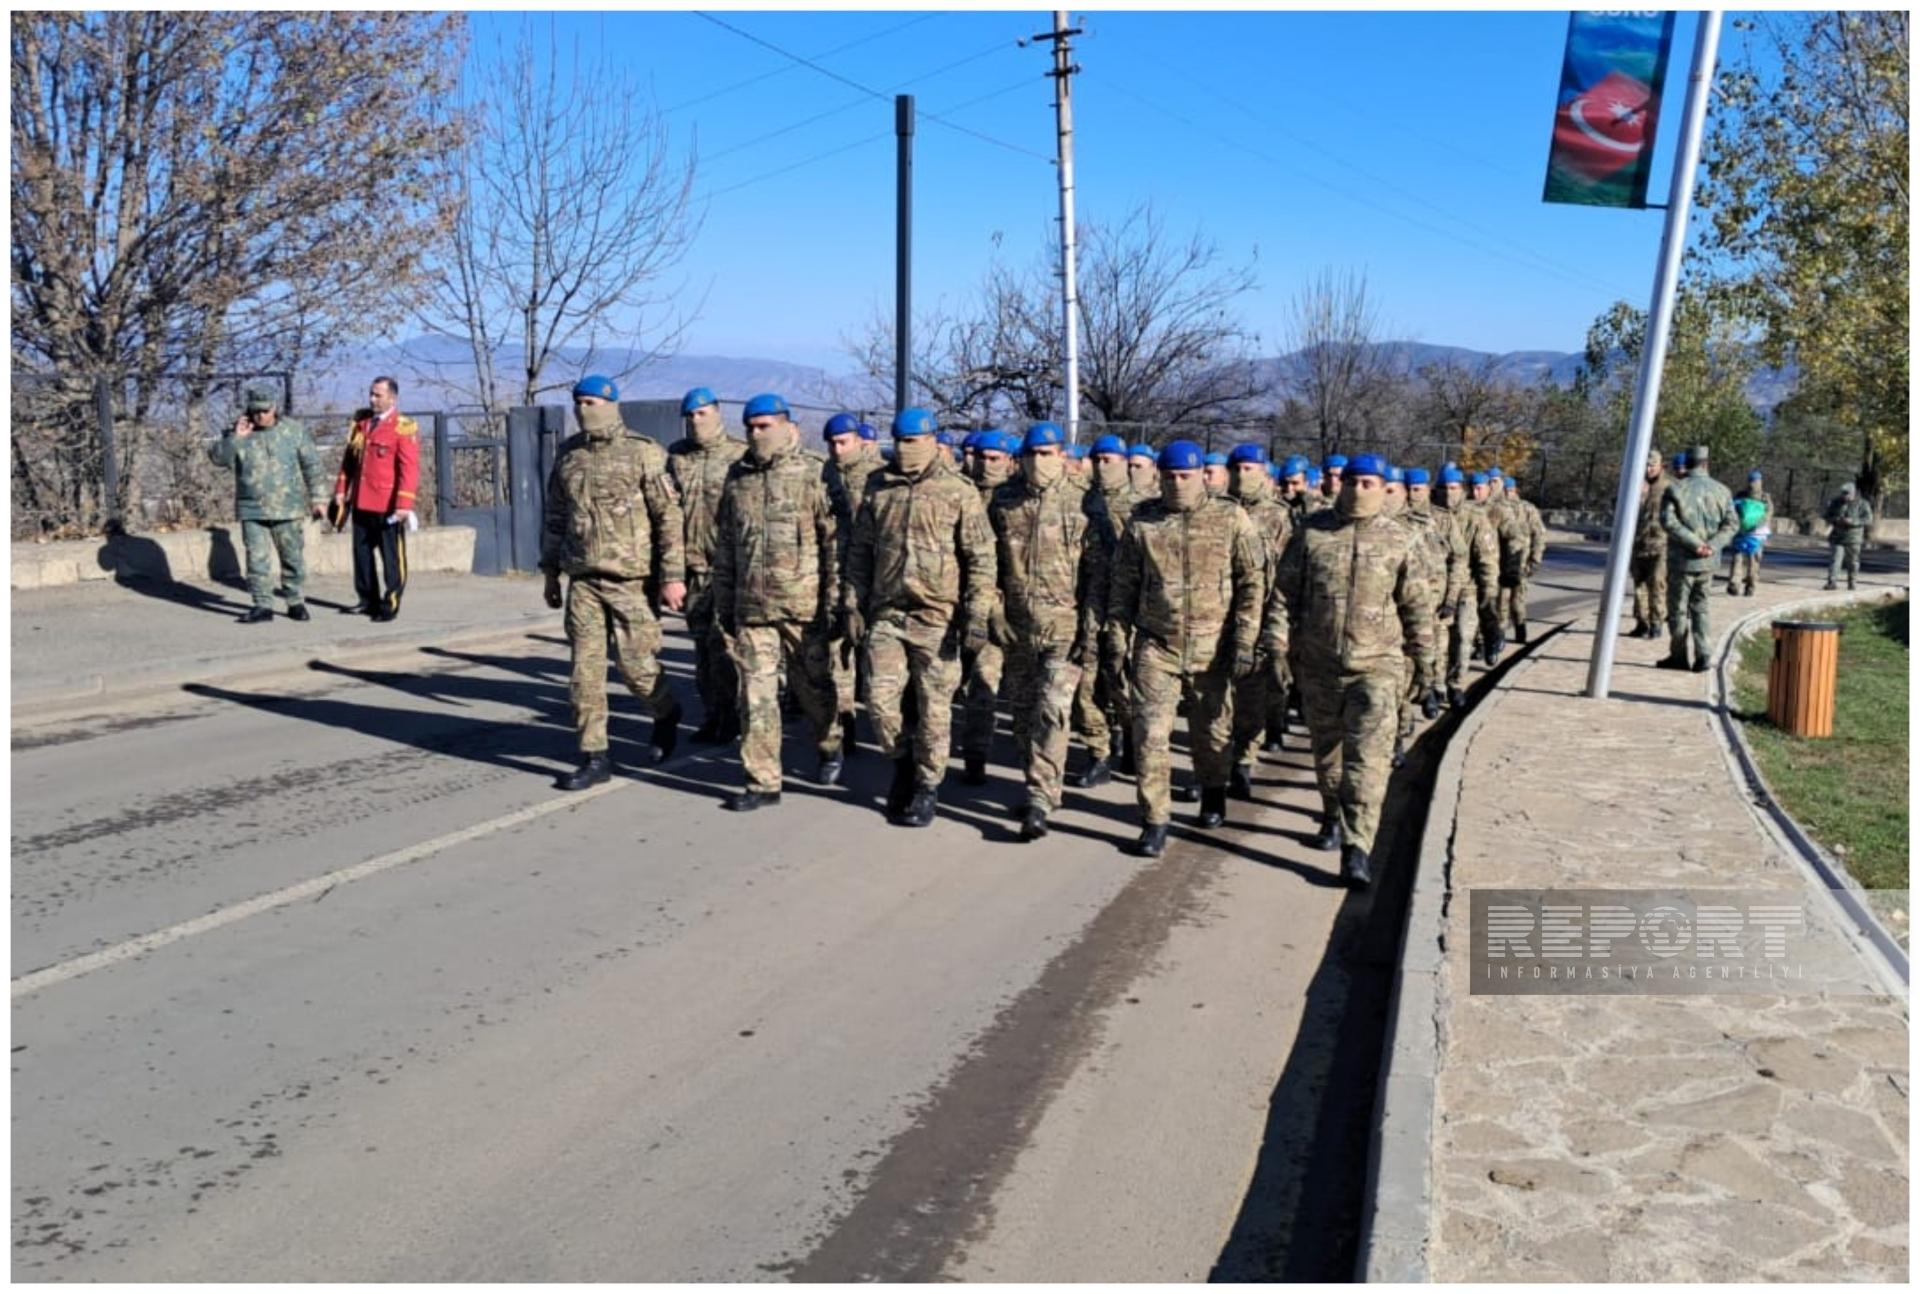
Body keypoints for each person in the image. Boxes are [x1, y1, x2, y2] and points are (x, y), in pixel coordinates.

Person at [1262, 454, 1433, 888]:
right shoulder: (1313, 533)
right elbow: (1284, 596)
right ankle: (1332, 814)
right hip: (1319, 665)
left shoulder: (1400, 539)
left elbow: (1416, 606)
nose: (1359, 489)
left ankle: (1358, 849)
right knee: (1329, 755)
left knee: (1368, 762)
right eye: (1353, 481)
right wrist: (1278, 648)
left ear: (1382, 487)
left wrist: (1425, 663)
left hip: (1377, 668)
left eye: (1369, 482)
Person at [1104, 440, 1264, 857]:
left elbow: (1252, 583)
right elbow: (1123, 586)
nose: (1178, 484)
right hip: (1158, 646)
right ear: (1160, 476)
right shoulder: (1145, 523)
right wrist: (1117, 639)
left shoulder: (1230, 518)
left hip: (1213, 647)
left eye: (1186, 476)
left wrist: (1245, 639)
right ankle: (1155, 819)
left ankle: (1213, 792)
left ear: (1202, 477)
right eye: (1170, 476)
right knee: (1150, 736)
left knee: (1210, 733)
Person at [841, 407, 995, 827]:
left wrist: (977, 614)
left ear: (930, 441)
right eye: (900, 441)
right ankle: (903, 762)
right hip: (888, 613)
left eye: (913, 441)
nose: (905, 449)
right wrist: (851, 603)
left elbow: (980, 558)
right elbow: (859, 553)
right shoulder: (878, 487)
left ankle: (927, 787)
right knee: (879, 700)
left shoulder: (959, 492)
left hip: (937, 617)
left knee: (934, 708)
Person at [540, 374, 687, 789]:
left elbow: (668, 519)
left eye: (591, 402)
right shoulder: (569, 456)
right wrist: (551, 572)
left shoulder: (644, 453)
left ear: (611, 403)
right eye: (578, 402)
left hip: (631, 581)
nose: (584, 410)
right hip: (583, 580)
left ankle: (665, 711)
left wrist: (673, 577)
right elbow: (555, 518)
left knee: (636, 667)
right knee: (584, 673)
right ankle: (594, 755)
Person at [710, 394, 841, 811]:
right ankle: (763, 782)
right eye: (750, 427)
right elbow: (727, 546)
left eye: (764, 426)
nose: (755, 434)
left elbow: (834, 543)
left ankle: (829, 743)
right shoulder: (738, 478)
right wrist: (725, 602)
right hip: (753, 608)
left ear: (787, 426)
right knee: (755, 695)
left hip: (805, 608)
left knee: (813, 691)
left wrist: (835, 602)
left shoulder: (814, 475)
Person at [988, 423, 1110, 839]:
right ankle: (1035, 783)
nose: (1038, 463)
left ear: (1062, 456)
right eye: (1031, 455)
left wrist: (1090, 632)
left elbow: (1099, 576)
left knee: (1051, 712)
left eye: (1046, 454)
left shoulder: (1086, 504)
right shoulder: (1004, 501)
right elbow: (987, 562)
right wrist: (993, 609)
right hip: (1018, 628)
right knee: (1021, 715)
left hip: (1066, 628)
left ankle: (1041, 800)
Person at [668, 386, 750, 743]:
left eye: (702, 413)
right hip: (693, 570)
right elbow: (668, 515)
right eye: (690, 415)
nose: (695, 421)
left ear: (717, 412)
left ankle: (734, 716)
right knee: (702, 649)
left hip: (729, 569)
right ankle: (713, 715)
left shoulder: (739, 456)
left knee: (725, 647)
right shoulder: (677, 457)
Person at [209, 385, 327, 624]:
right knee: (256, 559)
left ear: (274, 408)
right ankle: (262, 604)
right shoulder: (240, 432)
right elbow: (218, 458)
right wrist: (236, 438)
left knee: (292, 557)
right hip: (252, 508)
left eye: (265, 410)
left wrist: (319, 498)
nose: (260, 416)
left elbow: (312, 466)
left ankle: (294, 600)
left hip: (288, 507)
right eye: (255, 411)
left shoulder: (293, 431)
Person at [1071, 433, 1140, 786]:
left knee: (1121, 681)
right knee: (1085, 682)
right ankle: (1097, 753)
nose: (1101, 467)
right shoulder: (1080, 502)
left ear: (1125, 463)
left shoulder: (1144, 507)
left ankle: (1130, 736)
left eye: (1108, 460)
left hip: (1125, 611)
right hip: (1088, 605)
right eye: (1096, 460)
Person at [1224, 443, 1291, 794]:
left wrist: (1277, 624)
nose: (1242, 476)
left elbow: (1286, 573)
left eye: (1250, 469)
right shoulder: (1218, 510)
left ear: (1263, 472)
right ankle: (1216, 769)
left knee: (1251, 694)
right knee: (1217, 698)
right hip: (1218, 614)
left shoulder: (1278, 516)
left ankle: (1243, 761)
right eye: (1237, 469)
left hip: (1262, 614)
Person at [330, 376, 419, 621]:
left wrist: (403, 505)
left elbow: (409, 469)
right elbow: (349, 461)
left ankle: (390, 603)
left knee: (392, 557)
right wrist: (341, 490)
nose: (372, 399)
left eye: (378, 395)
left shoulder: (402, 426)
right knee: (362, 554)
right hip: (361, 500)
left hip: (387, 504)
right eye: (371, 394)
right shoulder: (362, 423)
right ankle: (367, 599)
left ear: (392, 398)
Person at [823, 415, 883, 750]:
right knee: (837, 655)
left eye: (843, 442)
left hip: (872, 579)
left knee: (875, 658)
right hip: (834, 574)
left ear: (859, 441)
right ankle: (845, 727)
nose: (837, 449)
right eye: (832, 443)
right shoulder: (824, 474)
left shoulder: (878, 479)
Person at [960, 430, 1017, 782]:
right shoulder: (958, 493)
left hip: (999, 608)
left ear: (1008, 460)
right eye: (981, 456)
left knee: (983, 683)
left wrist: (995, 608)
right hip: (952, 603)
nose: (985, 464)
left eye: (994, 458)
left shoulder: (1015, 500)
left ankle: (976, 755)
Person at [1657, 444, 1738, 672]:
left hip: (1682, 560)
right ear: (1706, 463)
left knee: (1678, 609)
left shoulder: (1675, 489)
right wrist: (1711, 546)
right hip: (1708, 562)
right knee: (1701, 607)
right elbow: (1732, 524)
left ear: (1687, 463)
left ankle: (1679, 656)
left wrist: (1695, 544)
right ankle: (1704, 655)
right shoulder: (1722, 491)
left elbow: (1669, 522)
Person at [1433, 467, 1499, 708]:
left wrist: (1488, 594)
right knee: (1438, 641)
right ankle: (1437, 684)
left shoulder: (1474, 518)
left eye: (1453, 488)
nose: (1448, 494)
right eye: (1444, 488)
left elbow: (1487, 559)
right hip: (1436, 589)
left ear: (1461, 489)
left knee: (1462, 637)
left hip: (1466, 589)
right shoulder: (1430, 517)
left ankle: (1456, 682)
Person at [1629, 448, 1672, 639]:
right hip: (1639, 544)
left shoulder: (1670, 487)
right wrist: (1638, 496)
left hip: (1662, 545)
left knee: (1657, 584)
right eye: (1645, 465)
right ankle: (1642, 622)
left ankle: (1656, 623)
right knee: (1639, 586)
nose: (1648, 469)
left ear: (1660, 465)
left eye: (1651, 465)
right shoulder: (1635, 485)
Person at [1500, 474, 1547, 643]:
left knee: (1517, 602)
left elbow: (1539, 534)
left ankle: (1520, 630)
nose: (1507, 493)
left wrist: (1535, 560)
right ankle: (1499, 636)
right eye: (1504, 490)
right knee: (1501, 601)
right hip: (1501, 563)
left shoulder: (1527, 509)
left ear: (1515, 491)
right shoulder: (1498, 508)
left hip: (1521, 563)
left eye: (1510, 490)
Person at [1728, 469, 1773, 596]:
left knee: (1737, 558)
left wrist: (1737, 524)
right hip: (1756, 534)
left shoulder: (1740, 495)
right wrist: (1757, 525)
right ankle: (1751, 585)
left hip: (1740, 531)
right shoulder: (1765, 497)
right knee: (1753, 560)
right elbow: (1768, 515)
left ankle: (1734, 583)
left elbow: (1731, 510)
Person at [1823, 482, 1873, 590]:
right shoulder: (1835, 502)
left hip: (1853, 538)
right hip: (1837, 537)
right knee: (1835, 560)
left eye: (1847, 494)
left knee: (1852, 562)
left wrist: (1854, 521)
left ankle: (1852, 582)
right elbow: (1827, 515)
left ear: (1853, 493)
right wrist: (1836, 520)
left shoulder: (1862, 504)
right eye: (1843, 494)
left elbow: (1868, 519)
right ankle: (1832, 582)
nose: (1845, 496)